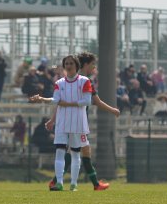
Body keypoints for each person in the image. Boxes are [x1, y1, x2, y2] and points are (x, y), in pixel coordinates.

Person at [32, 52, 119, 191]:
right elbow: (58, 101)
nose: (94, 68)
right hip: (67, 122)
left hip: (78, 122)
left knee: (77, 151)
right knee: (69, 151)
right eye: (92, 65)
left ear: (77, 65)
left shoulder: (84, 81)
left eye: (71, 63)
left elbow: (83, 101)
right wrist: (43, 101)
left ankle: (72, 183)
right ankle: (62, 182)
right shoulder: (62, 83)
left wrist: (64, 108)